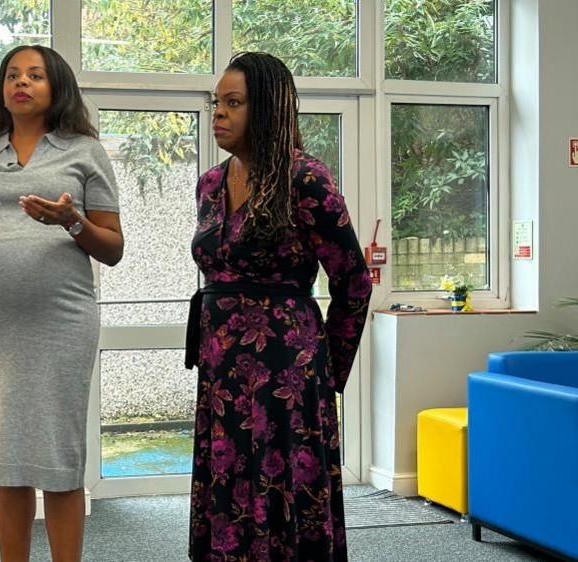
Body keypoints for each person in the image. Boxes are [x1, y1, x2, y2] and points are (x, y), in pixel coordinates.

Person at [0, 45, 124, 562]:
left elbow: (114, 248)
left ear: (56, 86)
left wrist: (70, 222)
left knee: (58, 458)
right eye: (12, 75)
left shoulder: (84, 151)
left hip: (61, 323)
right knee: (7, 456)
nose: (21, 83)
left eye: (35, 75)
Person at [185, 52, 371, 561]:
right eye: (216, 102)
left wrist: (327, 373)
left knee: (282, 485)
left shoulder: (305, 178)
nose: (217, 113)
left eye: (233, 103)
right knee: (229, 487)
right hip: (222, 369)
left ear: (266, 108)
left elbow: (353, 281)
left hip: (287, 372)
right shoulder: (210, 183)